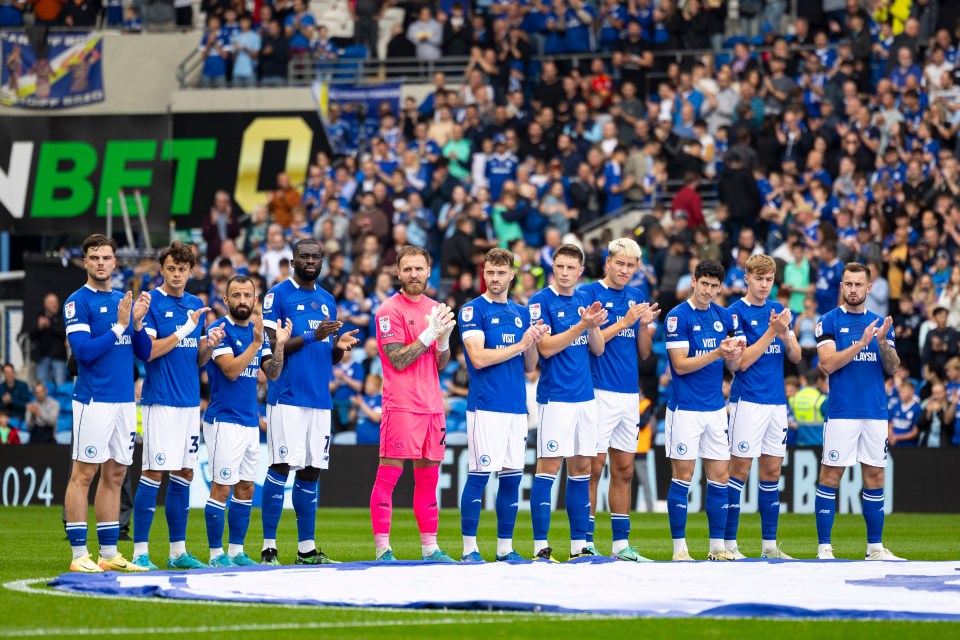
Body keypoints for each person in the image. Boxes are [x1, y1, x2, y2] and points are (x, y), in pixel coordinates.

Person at [259, 239, 360, 566]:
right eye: (305, 256)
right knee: (280, 466)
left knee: (312, 470)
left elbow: (323, 355)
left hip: (319, 398)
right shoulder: (278, 295)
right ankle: (268, 547)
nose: (311, 261)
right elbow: (275, 347)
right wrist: (315, 336)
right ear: (293, 261)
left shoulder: (328, 299)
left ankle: (306, 549)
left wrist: (338, 347)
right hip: (287, 397)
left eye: (316, 256)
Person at [130, 242, 226, 571]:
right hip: (161, 401)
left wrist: (207, 346)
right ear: (162, 269)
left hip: (188, 404)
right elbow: (150, 351)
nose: (176, 274)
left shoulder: (195, 303)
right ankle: (140, 552)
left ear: (191, 271)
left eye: (182, 269)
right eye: (171, 268)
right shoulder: (152, 302)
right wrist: (186, 329)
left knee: (184, 472)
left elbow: (194, 358)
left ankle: (177, 552)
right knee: (153, 472)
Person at [63, 234, 152, 573]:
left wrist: (139, 323)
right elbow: (83, 353)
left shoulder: (122, 300)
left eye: (107, 257)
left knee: (115, 474)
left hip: (124, 403)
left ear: (116, 262)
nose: (101, 263)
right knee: (83, 474)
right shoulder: (77, 302)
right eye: (94, 257)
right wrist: (119, 325)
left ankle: (109, 553)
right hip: (93, 400)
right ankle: (78, 554)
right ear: (86, 262)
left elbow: (143, 353)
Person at [457, 248, 549, 563]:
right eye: (490, 273)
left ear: (512, 275)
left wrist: (534, 341)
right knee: (480, 475)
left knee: (511, 478)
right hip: (486, 405)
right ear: (484, 274)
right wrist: (521, 344)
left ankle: (504, 548)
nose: (495, 279)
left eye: (501, 273)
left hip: (515, 407)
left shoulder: (522, 312)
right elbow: (479, 359)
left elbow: (529, 366)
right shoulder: (472, 310)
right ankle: (469, 549)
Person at [370, 246, 457, 562]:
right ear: (398, 272)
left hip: (433, 405)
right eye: (407, 269)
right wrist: (429, 333)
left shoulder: (435, 308)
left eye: (419, 268)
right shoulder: (388, 311)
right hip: (402, 404)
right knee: (388, 476)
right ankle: (383, 549)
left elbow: (441, 363)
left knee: (428, 481)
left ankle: (430, 548)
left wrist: (444, 340)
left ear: (429, 270)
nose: (413, 274)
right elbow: (397, 359)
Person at [814, 262, 903, 560]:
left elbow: (892, 368)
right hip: (842, 411)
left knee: (875, 477)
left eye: (858, 284)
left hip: (875, 412)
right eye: (848, 284)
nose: (853, 289)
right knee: (830, 475)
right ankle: (824, 548)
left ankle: (875, 548)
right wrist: (862, 343)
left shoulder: (880, 322)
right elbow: (827, 364)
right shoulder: (827, 321)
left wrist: (880, 343)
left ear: (869, 287)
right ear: (841, 287)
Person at [581, 238, 659, 562]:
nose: (625, 270)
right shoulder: (589, 294)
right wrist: (624, 323)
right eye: (620, 264)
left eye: (631, 265)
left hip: (629, 393)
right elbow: (587, 342)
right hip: (598, 390)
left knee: (624, 469)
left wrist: (643, 327)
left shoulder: (637, 296)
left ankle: (620, 546)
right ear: (608, 262)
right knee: (593, 468)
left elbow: (643, 352)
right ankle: (584, 542)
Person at [527, 244, 607, 562]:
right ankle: (540, 546)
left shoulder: (585, 298)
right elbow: (545, 348)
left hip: (585, 396)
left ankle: (578, 546)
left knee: (582, 468)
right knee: (548, 466)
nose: (564, 272)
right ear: (553, 267)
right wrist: (581, 326)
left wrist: (594, 325)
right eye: (559, 266)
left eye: (570, 267)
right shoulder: (540, 301)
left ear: (580, 271)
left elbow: (598, 349)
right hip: (555, 396)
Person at [204, 275, 288, 567]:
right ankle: (216, 554)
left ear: (255, 300)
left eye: (247, 296)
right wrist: (254, 344)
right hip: (223, 421)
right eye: (236, 295)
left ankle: (237, 551)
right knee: (221, 487)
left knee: (246, 487)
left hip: (250, 422)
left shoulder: (259, 333)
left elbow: (273, 373)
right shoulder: (219, 329)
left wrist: (278, 346)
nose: (242, 300)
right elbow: (230, 371)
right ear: (226, 300)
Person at [663, 258, 744, 561]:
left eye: (714, 285)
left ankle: (717, 548)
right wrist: (717, 352)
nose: (708, 290)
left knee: (720, 476)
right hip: (685, 408)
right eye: (704, 283)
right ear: (694, 281)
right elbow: (681, 366)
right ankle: (679, 549)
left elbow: (733, 365)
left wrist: (735, 354)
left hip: (714, 409)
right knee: (683, 476)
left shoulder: (725, 317)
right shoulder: (677, 316)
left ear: (721, 287)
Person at [724, 254, 801, 559]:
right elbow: (740, 363)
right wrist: (771, 331)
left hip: (776, 403)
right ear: (747, 278)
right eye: (759, 278)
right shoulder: (735, 313)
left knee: (772, 472)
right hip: (748, 401)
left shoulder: (778, 311)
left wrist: (784, 335)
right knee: (739, 470)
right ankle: (729, 545)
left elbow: (795, 357)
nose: (764, 285)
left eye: (769, 279)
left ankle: (770, 545)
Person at [30, 292, 68, 387]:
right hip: (43, 357)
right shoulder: (40, 316)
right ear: (45, 304)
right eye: (51, 302)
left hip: (59, 357)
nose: (54, 305)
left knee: (60, 385)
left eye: (55, 302)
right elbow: (31, 334)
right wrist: (39, 326)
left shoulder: (63, 316)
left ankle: (60, 402)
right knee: (42, 385)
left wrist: (50, 325)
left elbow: (64, 332)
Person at [25, 380, 59, 444]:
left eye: (41, 392)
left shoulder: (54, 404)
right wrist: (32, 415)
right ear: (34, 393)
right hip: (34, 438)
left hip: (49, 439)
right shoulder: (31, 405)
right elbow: (29, 427)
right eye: (37, 392)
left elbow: (52, 422)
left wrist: (39, 413)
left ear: (46, 390)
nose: (40, 395)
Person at [888, 378, 920, 447]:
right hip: (893, 445)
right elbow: (890, 424)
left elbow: (915, 432)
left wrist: (897, 437)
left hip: (908, 447)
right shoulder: (895, 406)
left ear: (912, 392)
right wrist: (890, 436)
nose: (901, 394)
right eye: (900, 392)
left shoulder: (917, 409)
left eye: (903, 392)